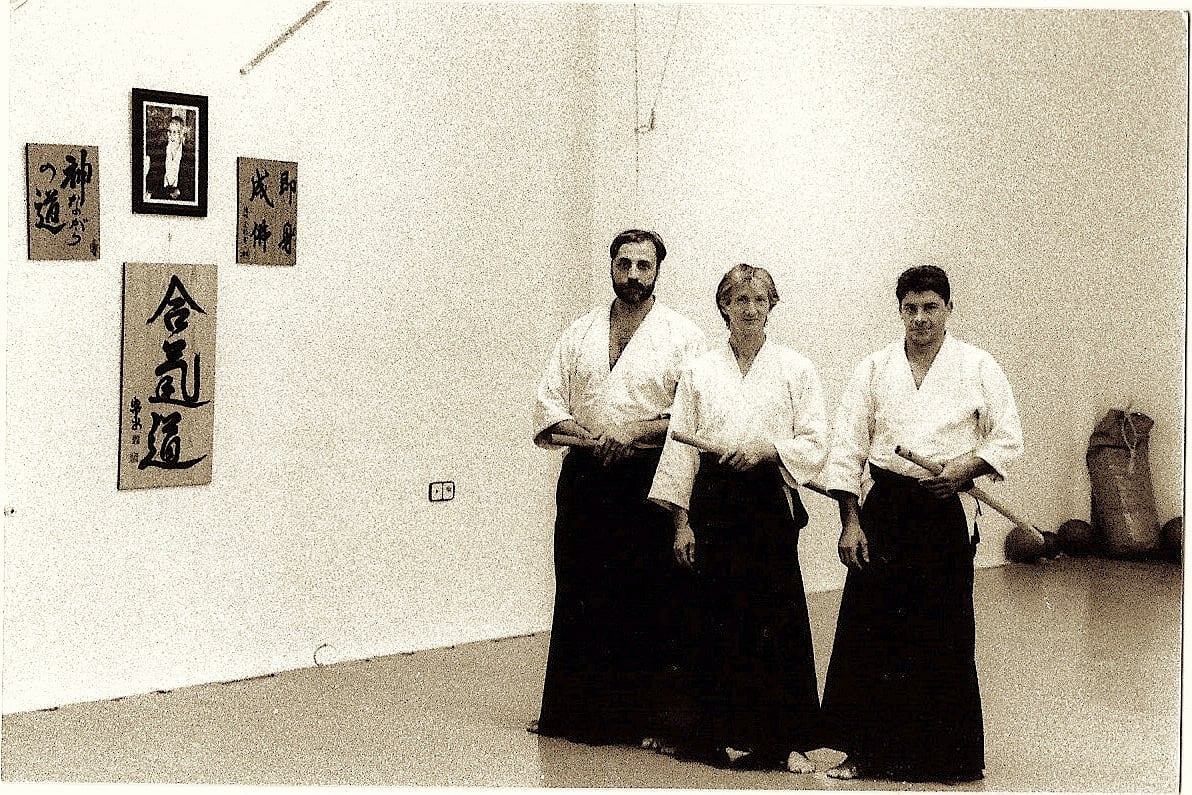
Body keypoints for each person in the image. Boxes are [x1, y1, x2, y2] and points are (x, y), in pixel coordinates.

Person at [818, 265, 1024, 783]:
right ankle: (864, 752)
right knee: (872, 628)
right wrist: (850, 522)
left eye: (931, 307)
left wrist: (965, 467)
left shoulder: (977, 365)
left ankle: (945, 757)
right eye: (910, 308)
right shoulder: (874, 368)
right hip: (886, 507)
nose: (920, 318)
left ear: (949, 309)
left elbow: (1007, 436)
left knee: (942, 630)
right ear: (900, 311)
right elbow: (847, 448)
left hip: (943, 508)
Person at [648, 263, 827, 773]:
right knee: (713, 615)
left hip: (768, 500)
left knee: (774, 616)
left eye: (760, 300)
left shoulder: (796, 369)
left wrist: (767, 450)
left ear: (772, 306)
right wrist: (681, 522)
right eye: (739, 300)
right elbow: (680, 450)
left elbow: (816, 440)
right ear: (723, 307)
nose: (750, 309)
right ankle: (713, 732)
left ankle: (781, 739)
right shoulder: (700, 371)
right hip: (714, 501)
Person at [531, 229, 706, 746]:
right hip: (586, 476)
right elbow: (547, 406)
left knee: (646, 596)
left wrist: (633, 432)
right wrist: (587, 435)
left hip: (647, 478)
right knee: (580, 589)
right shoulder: (579, 332)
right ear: (611, 266)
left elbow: (692, 415)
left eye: (643, 265)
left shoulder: (683, 335)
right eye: (623, 263)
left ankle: (645, 719)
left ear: (658, 271)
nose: (632, 275)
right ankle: (575, 714)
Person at [144, 114, 195, 202]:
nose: (171, 135)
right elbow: (152, 176)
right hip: (160, 194)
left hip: (181, 198)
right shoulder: (159, 151)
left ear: (181, 134)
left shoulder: (189, 155)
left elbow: (192, 181)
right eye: (169, 131)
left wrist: (180, 191)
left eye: (175, 132)